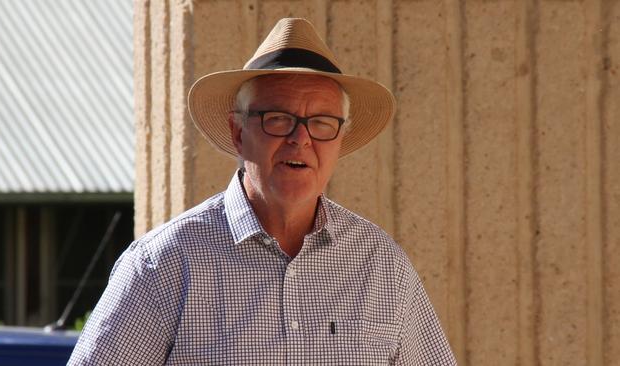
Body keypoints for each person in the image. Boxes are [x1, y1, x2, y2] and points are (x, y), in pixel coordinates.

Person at [69, 18, 457, 365]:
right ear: (239, 133)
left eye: (321, 123)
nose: (300, 139)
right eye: (279, 119)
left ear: (339, 140)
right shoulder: (165, 265)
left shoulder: (381, 265)